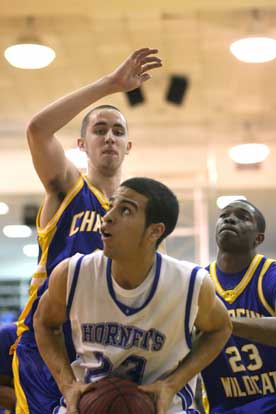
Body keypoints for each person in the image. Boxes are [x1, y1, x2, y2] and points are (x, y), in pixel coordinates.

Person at [11, 48, 163, 414]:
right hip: (47, 344)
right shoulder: (67, 188)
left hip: (104, 346)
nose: (109, 137)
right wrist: (110, 85)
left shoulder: (141, 213)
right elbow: (37, 129)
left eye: (118, 131)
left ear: (128, 146)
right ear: (82, 145)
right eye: (99, 130)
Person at [34, 177, 232, 414]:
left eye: (125, 210)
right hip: (88, 406)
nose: (107, 217)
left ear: (154, 231)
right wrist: (67, 385)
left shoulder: (190, 284)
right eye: (111, 207)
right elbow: (44, 323)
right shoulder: (73, 273)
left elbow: (220, 328)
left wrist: (172, 383)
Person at [201, 199, 276, 414]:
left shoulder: (269, 275)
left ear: (258, 238)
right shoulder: (199, 282)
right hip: (223, 407)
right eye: (224, 216)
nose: (230, 219)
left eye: (243, 217)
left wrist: (223, 322)